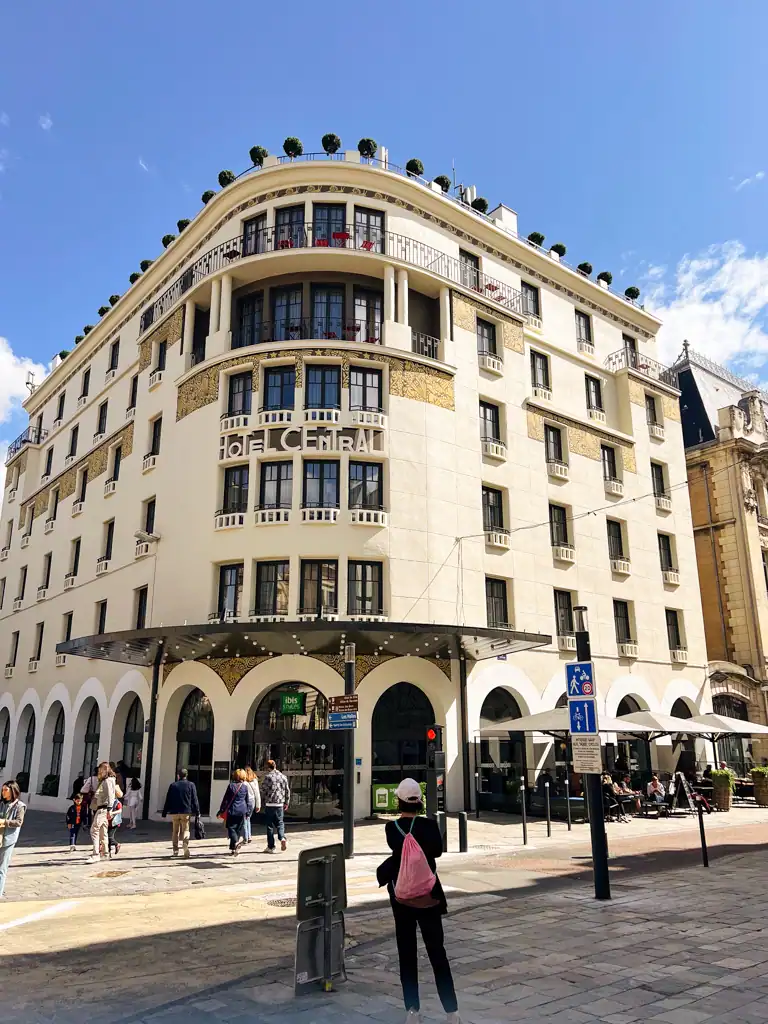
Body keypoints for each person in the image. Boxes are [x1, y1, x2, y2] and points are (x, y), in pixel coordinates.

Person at [376, 779, 460, 1024]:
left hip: (401, 897)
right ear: (420, 801)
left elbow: (397, 852)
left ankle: (412, 1011)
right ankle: (452, 1012)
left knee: (407, 953)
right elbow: (437, 851)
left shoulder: (392, 829)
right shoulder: (430, 827)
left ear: (398, 802)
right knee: (437, 952)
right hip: (428, 895)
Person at [84, 762, 120, 863]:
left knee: (94, 829)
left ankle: (96, 854)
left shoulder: (108, 780)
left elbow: (110, 795)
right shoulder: (107, 780)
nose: (99, 772)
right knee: (102, 831)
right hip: (103, 807)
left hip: (103, 808)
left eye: (101, 770)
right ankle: (105, 853)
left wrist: (109, 809)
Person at [161, 767, 200, 858]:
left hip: (174, 811)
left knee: (175, 831)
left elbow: (168, 799)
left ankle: (175, 850)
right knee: (186, 829)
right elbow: (195, 799)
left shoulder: (173, 785)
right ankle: (185, 844)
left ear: (178, 775)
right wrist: (197, 811)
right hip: (186, 811)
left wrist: (164, 811)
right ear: (186, 775)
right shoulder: (191, 785)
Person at [217, 768, 253, 855]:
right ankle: (233, 849)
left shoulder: (231, 786)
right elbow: (247, 800)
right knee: (237, 829)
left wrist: (221, 810)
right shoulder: (244, 787)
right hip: (242, 811)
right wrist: (248, 811)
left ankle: (236, 843)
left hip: (232, 810)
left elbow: (226, 800)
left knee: (231, 828)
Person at [0, 781, 26, 898]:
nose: (3, 792)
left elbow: (19, 822)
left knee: (2, 869)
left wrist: (5, 822)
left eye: (6, 790)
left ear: (12, 791)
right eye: (2, 789)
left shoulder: (20, 806)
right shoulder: (1, 803)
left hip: (8, 840)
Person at [261, 759, 290, 854]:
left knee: (269, 826)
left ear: (268, 767)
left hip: (270, 804)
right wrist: (286, 802)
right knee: (280, 823)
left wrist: (262, 800)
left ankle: (271, 846)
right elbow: (287, 790)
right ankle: (282, 837)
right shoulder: (283, 776)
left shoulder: (268, 777)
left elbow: (263, 790)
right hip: (279, 804)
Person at [243, 767, 261, 844]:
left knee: (244, 819)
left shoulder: (244, 782)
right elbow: (257, 793)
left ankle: (246, 837)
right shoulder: (255, 781)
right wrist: (258, 805)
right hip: (253, 801)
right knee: (248, 818)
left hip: (246, 801)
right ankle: (249, 836)